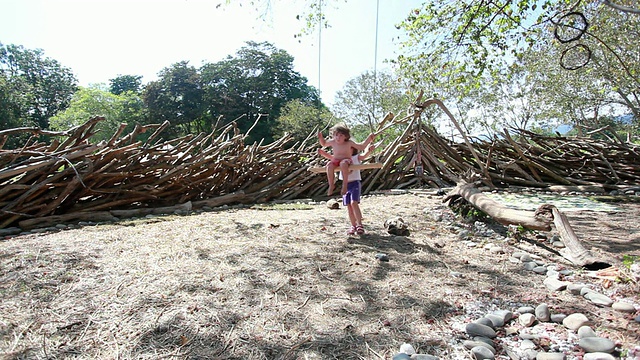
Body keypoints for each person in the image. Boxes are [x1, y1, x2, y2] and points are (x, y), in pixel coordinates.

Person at [318, 124, 374, 196]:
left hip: (346, 160)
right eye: (336, 135)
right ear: (333, 135)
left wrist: (369, 138)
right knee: (329, 165)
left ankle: (344, 185)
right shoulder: (333, 142)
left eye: (341, 135)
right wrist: (320, 137)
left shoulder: (349, 143)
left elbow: (361, 147)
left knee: (343, 164)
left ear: (346, 136)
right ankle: (331, 185)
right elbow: (324, 144)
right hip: (336, 160)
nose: (338, 137)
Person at [339, 144, 376, 235]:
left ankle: (359, 224)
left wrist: (369, 150)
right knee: (349, 206)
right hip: (345, 184)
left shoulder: (356, 157)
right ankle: (353, 225)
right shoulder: (341, 159)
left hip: (354, 182)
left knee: (353, 202)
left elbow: (364, 156)